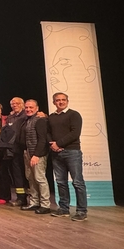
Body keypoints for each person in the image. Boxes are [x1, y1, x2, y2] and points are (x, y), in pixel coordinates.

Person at [47, 92, 87, 221]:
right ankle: (64, 209)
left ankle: (81, 211)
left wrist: (58, 143)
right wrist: (53, 145)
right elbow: (47, 132)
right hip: (56, 153)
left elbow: (75, 133)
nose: (61, 102)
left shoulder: (74, 115)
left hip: (72, 152)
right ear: (54, 102)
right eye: (58, 100)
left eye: (63, 100)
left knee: (77, 182)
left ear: (67, 101)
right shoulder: (51, 117)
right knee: (61, 182)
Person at [21, 99, 51, 214]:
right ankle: (34, 202)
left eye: (31, 107)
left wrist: (37, 155)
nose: (28, 109)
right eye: (26, 107)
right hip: (28, 153)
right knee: (31, 178)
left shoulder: (40, 120)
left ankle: (45, 204)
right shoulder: (27, 120)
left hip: (37, 154)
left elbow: (42, 139)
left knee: (40, 178)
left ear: (37, 108)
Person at [0, 97, 28, 206]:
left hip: (21, 149)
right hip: (9, 150)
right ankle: (16, 197)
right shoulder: (10, 117)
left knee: (20, 174)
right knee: (13, 174)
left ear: (22, 104)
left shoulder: (26, 115)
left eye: (17, 103)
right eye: (13, 104)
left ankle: (22, 198)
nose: (15, 105)